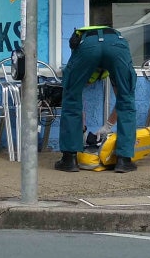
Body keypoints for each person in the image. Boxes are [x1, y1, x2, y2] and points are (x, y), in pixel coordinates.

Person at [55, 25, 138, 173]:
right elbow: (122, 100)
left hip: (88, 44)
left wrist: (103, 127)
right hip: (117, 44)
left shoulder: (81, 49)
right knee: (126, 100)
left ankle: (69, 160)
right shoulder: (110, 64)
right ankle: (124, 160)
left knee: (71, 98)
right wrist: (103, 126)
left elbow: (75, 99)